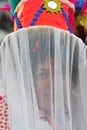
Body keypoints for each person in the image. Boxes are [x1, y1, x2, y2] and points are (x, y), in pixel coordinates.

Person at [0, 26, 87, 130]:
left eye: (61, 74)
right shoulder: (7, 114)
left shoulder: (78, 112)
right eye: (43, 74)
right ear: (28, 79)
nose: (54, 84)